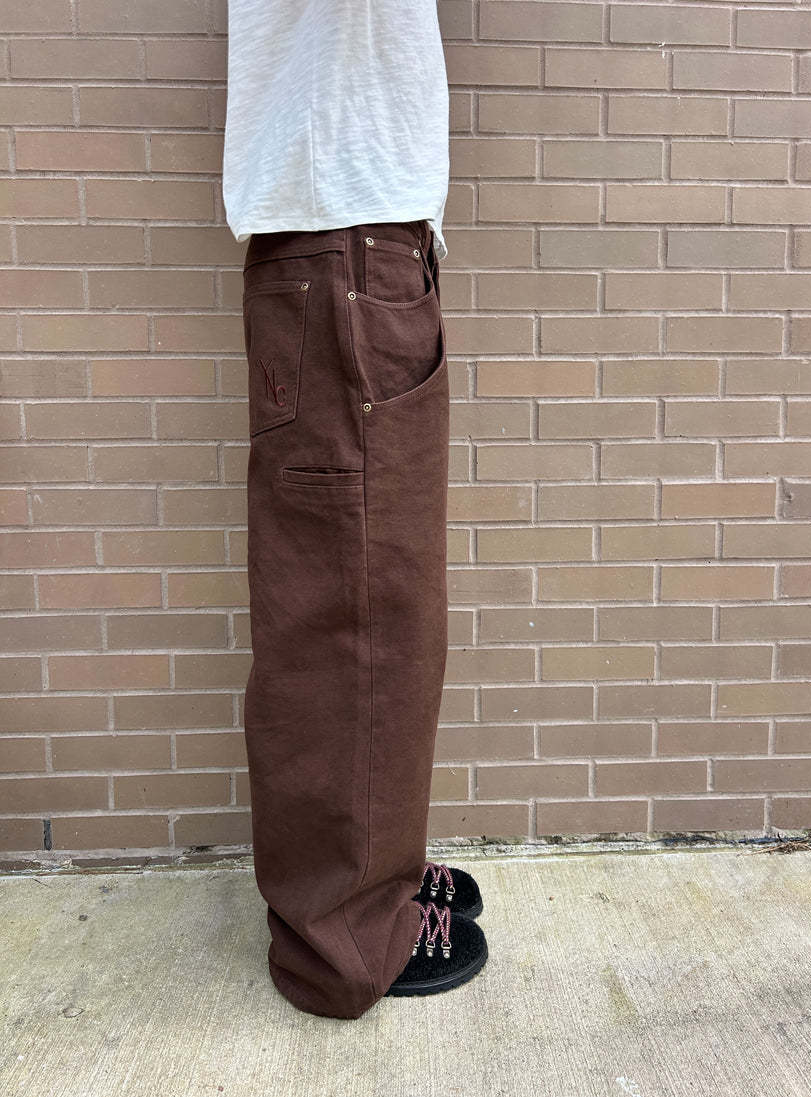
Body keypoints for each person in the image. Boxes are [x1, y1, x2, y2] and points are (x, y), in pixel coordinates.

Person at [221, 0, 489, 1019]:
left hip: (353, 244)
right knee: (356, 615)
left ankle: (376, 872)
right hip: (345, 244)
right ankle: (342, 939)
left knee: (375, 600)